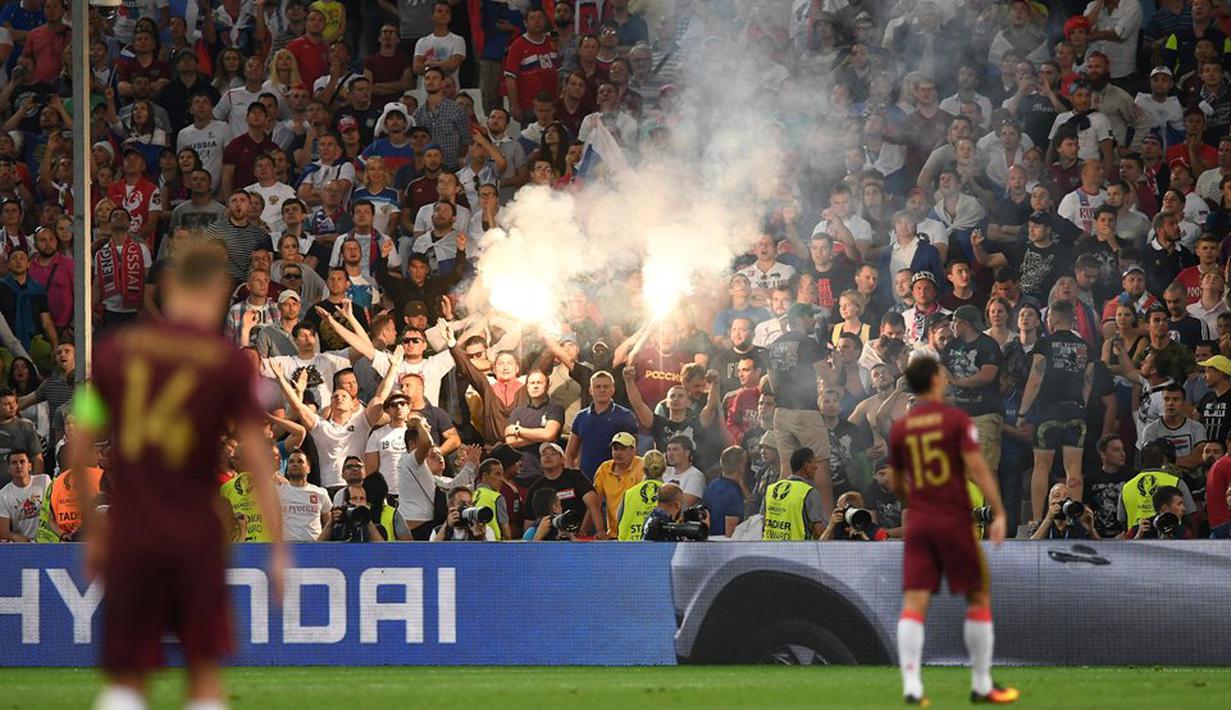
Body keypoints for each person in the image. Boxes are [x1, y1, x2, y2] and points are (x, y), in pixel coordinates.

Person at [66, 245, 286, 709]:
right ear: (219, 293)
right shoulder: (224, 362)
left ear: (166, 288)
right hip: (196, 533)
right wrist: (280, 549)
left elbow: (80, 444)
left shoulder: (114, 353)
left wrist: (95, 531)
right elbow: (259, 457)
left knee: (127, 681)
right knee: (204, 675)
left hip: (132, 530)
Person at [887, 356, 1017, 706]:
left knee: (914, 601)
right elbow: (977, 467)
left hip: (921, 519)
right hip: (954, 518)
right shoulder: (956, 421)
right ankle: (981, 683)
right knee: (977, 596)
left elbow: (898, 484)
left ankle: (912, 685)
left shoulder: (900, 429)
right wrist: (999, 511)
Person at [1018, 300, 1094, 526]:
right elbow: (1088, 383)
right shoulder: (1085, 346)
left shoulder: (1044, 344)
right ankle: (1077, 519)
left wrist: (1022, 413)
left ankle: (1038, 519)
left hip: (1049, 412)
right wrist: (1081, 406)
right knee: (1074, 470)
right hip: (1075, 412)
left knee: (1041, 467)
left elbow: (1035, 379)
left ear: (1053, 317)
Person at [766, 303, 835, 509]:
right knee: (820, 463)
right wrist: (837, 365)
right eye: (809, 317)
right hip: (806, 412)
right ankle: (828, 524)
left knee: (786, 465)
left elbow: (772, 384)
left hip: (781, 412)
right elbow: (829, 379)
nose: (813, 321)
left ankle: (782, 516)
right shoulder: (808, 343)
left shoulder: (774, 344)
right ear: (799, 319)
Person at [761, 447, 827, 541]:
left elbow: (763, 522)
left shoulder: (771, 489)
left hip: (770, 551)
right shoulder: (808, 492)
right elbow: (820, 531)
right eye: (814, 462)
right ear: (806, 466)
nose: (816, 467)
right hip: (798, 552)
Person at [278, 449, 331, 542]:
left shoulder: (321, 493)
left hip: (314, 548)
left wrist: (320, 544)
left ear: (308, 468)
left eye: (300, 461)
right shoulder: (277, 491)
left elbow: (329, 524)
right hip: (287, 548)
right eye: (291, 462)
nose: (295, 464)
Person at [615, 448, 665, 541]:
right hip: (661, 551)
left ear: (643, 468)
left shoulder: (629, 494)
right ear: (664, 468)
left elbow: (619, 521)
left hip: (630, 549)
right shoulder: (670, 493)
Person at [0, 450, 46, 541]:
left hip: (49, 540)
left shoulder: (44, 481)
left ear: (30, 466)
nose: (19, 466)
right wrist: (16, 537)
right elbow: (4, 532)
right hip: (23, 545)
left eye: (22, 461)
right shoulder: (3, 495)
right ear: (8, 469)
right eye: (14, 463)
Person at [1030, 483, 1100, 540]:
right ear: (1049, 502)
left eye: (1066, 497)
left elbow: (1101, 550)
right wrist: (1048, 519)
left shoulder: (1079, 525)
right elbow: (1030, 548)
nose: (1062, 500)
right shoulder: (1040, 525)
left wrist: (1091, 529)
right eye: (1057, 496)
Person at [431, 486, 495, 541]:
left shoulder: (485, 530)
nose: (467, 508)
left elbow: (491, 554)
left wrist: (481, 537)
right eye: (462, 504)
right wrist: (446, 526)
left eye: (470, 504)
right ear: (450, 506)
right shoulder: (438, 531)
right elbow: (430, 552)